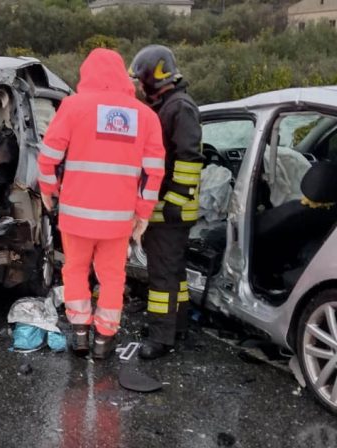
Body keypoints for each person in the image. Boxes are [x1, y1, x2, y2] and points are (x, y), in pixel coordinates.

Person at [38, 48, 165, 359]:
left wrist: (48, 190)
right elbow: (153, 171)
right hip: (119, 219)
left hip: (76, 215)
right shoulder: (145, 116)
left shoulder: (72, 107)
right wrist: (143, 213)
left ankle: (80, 334)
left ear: (87, 74)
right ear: (123, 75)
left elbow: (49, 157)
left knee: (75, 271)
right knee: (112, 277)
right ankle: (104, 340)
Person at [129, 45, 205, 360]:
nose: (139, 86)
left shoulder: (179, 107)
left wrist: (174, 199)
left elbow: (189, 158)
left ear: (152, 76)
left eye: (140, 79)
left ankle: (162, 337)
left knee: (161, 274)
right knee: (174, 273)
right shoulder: (169, 106)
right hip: (168, 208)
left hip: (172, 210)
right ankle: (178, 325)